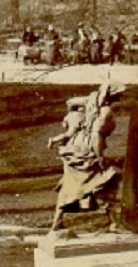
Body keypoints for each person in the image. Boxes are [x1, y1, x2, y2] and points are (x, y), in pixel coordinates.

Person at [48, 81, 126, 232]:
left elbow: (70, 102)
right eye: (119, 94)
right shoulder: (106, 112)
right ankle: (115, 224)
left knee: (71, 185)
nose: (122, 96)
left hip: (75, 147)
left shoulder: (92, 100)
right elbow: (96, 136)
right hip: (87, 151)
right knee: (104, 182)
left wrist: (74, 120)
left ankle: (56, 223)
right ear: (112, 95)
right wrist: (99, 157)